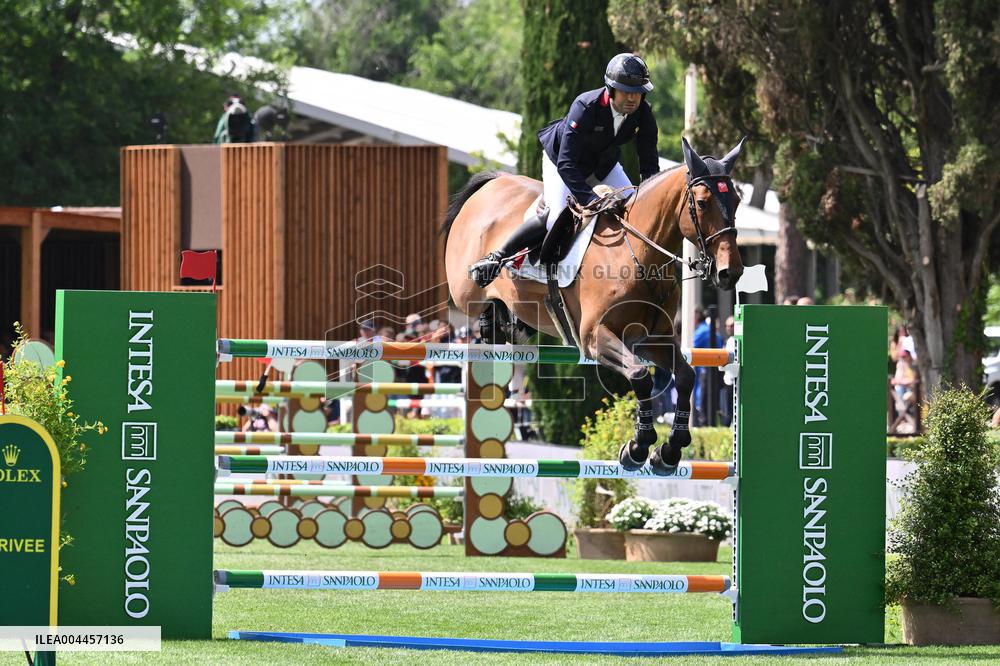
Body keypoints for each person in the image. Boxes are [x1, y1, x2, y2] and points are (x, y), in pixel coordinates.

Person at [469, 53, 660, 287]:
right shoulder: (585, 107)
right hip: (562, 161)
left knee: (635, 212)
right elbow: (566, 163)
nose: (633, 98)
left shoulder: (644, 114)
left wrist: (649, 197)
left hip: (603, 165)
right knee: (556, 214)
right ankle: (499, 257)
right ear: (611, 90)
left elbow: (650, 164)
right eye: (626, 91)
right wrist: (590, 198)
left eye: (638, 92)